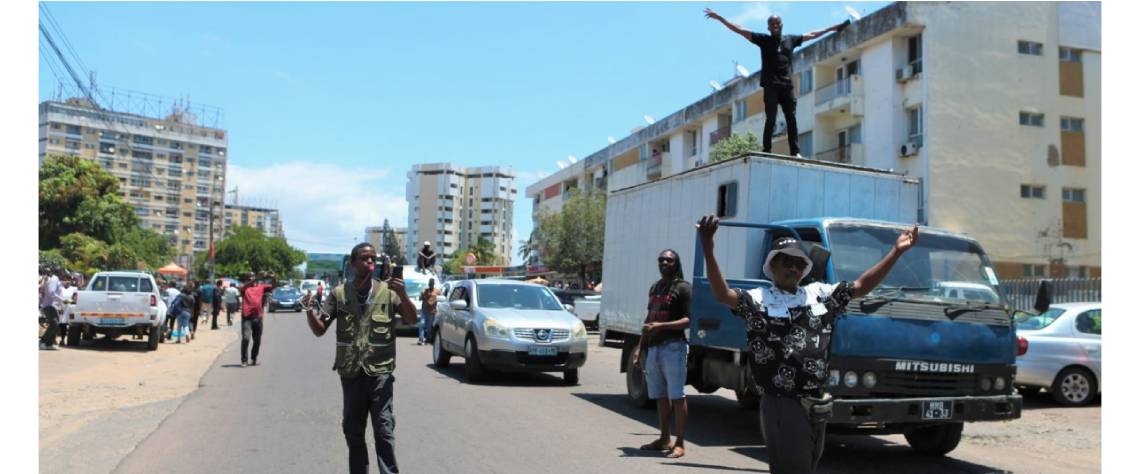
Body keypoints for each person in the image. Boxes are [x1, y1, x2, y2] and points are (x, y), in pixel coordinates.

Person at [696, 215, 919, 473]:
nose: (793, 267)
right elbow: (722, 294)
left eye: (799, 262)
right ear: (773, 266)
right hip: (783, 402)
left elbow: (860, 286)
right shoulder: (758, 299)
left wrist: (896, 252)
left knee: (807, 466)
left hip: (816, 401)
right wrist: (708, 248)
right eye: (786, 261)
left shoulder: (820, 294)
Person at [303, 243, 417, 474]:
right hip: (352, 374)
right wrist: (308, 310)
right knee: (353, 432)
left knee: (384, 431)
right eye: (365, 258)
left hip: (380, 374)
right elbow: (319, 329)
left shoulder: (389, 292)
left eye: (373, 259)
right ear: (353, 263)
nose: (370, 263)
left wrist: (403, 293)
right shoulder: (338, 295)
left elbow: (412, 318)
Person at [705, 8, 849, 157]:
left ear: (781, 24)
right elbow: (741, 30)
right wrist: (720, 18)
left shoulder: (790, 40)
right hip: (771, 86)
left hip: (786, 85)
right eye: (772, 24)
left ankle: (795, 152)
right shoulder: (764, 40)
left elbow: (812, 35)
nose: (775, 26)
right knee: (771, 119)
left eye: (777, 23)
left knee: (791, 118)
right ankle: (767, 151)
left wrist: (833, 28)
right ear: (768, 27)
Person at [632, 249, 692, 459]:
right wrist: (640, 347)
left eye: (669, 260)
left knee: (677, 395)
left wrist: (662, 326)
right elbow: (649, 318)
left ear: (676, 263)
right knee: (659, 396)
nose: (664, 262)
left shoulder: (684, 288)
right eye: (661, 259)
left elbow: (690, 320)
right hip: (654, 348)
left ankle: (680, 443)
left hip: (674, 347)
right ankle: (664, 438)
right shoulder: (655, 287)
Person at [239, 271, 278, 366]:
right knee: (246, 338)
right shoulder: (244, 288)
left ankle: (254, 359)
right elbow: (244, 287)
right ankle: (244, 360)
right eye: (249, 277)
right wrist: (257, 278)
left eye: (252, 277)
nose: (251, 279)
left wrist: (274, 278)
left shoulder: (261, 287)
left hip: (258, 317)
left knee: (257, 340)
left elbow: (273, 286)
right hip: (247, 317)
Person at [39, 267, 64, 350]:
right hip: (49, 305)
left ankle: (49, 344)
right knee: (55, 323)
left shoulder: (54, 279)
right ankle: (42, 342)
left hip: (51, 305)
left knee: (55, 324)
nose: (63, 275)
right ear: (59, 273)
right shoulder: (54, 279)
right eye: (62, 272)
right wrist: (63, 300)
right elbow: (52, 293)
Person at [417, 278, 439, 345]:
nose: (430, 285)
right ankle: (421, 339)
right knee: (422, 324)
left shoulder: (437, 291)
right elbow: (420, 299)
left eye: (432, 284)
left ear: (433, 284)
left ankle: (428, 338)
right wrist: (422, 294)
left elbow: (442, 298)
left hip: (432, 312)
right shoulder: (425, 290)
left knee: (429, 327)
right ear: (428, 284)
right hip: (424, 311)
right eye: (430, 283)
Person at [59, 277, 78, 346]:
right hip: (61, 309)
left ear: (71, 281)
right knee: (62, 325)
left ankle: (71, 341)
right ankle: (62, 339)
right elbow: (57, 298)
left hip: (71, 309)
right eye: (65, 280)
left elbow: (75, 300)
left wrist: (68, 301)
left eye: (68, 280)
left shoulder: (74, 289)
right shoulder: (60, 289)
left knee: (72, 325)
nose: (66, 281)